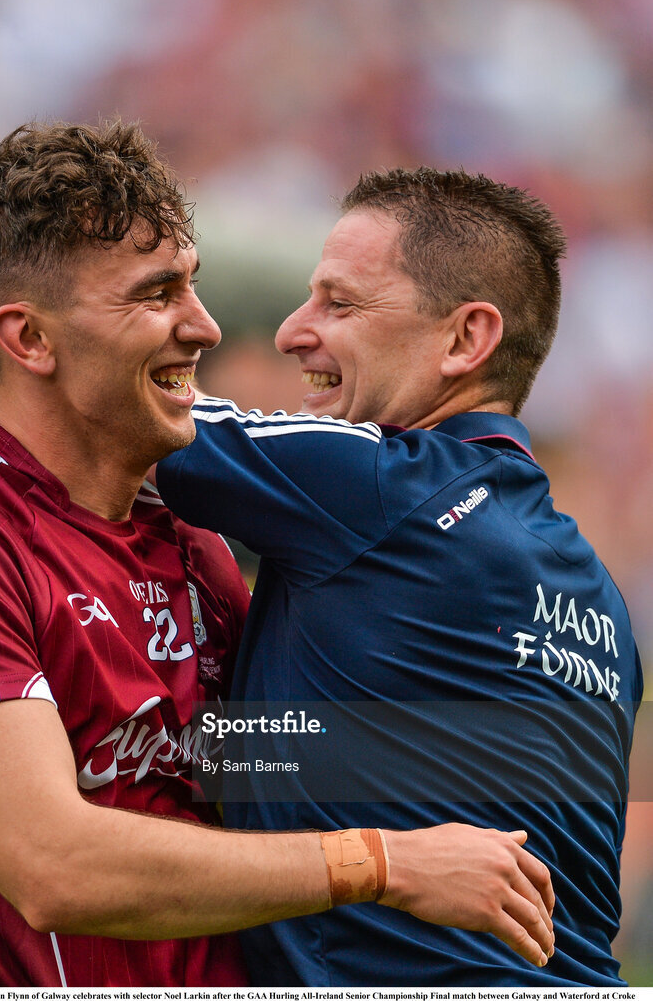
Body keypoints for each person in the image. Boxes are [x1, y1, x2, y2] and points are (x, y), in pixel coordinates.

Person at [0, 126, 555, 988]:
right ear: (28, 339)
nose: (204, 326)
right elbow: (54, 866)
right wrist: (385, 862)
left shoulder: (199, 552)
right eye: (157, 293)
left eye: (195, 283)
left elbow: (273, 772)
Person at [155, 168, 644, 986]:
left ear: (464, 341)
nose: (290, 332)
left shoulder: (380, 485)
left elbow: (126, 407)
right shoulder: (602, 602)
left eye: (339, 304)